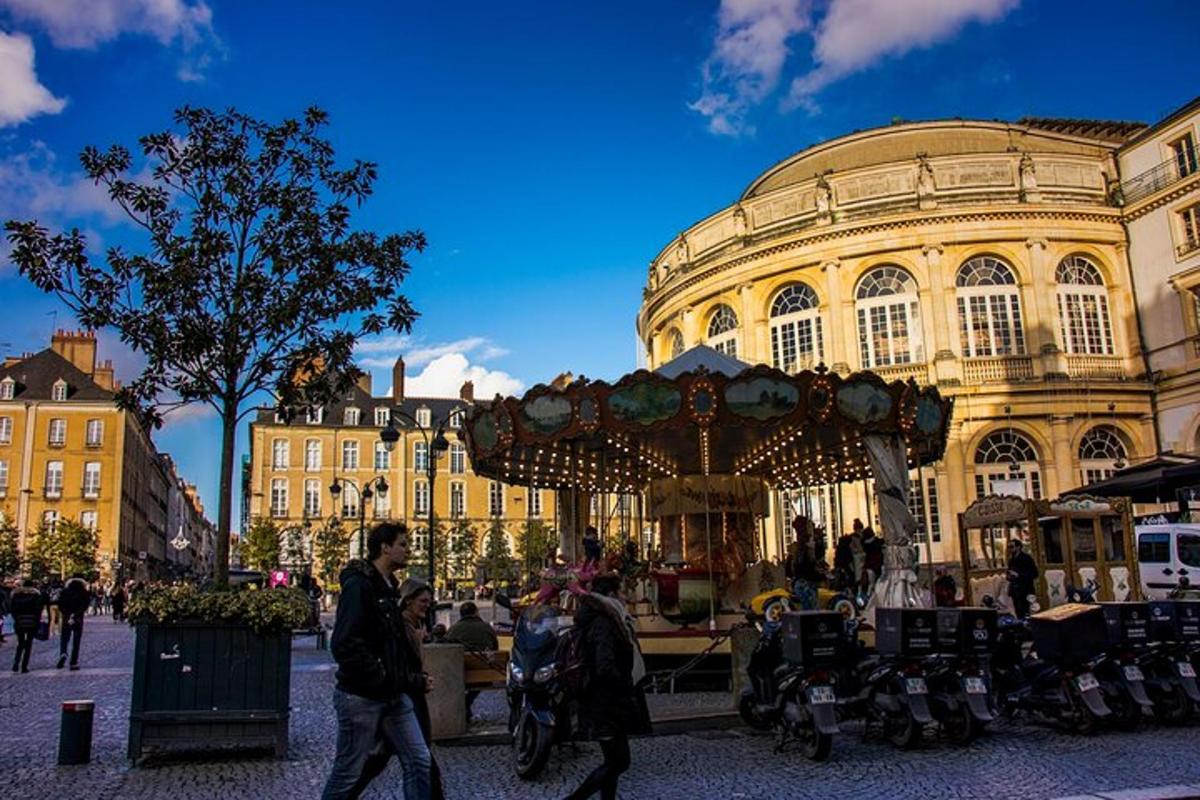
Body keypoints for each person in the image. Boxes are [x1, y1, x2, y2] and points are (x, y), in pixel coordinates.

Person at [320, 523, 431, 800]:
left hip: (393, 694)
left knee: (419, 760)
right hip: (362, 696)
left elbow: (391, 644)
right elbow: (344, 644)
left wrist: (405, 679)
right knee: (348, 771)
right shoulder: (360, 586)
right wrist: (380, 675)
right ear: (385, 547)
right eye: (403, 544)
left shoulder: (389, 588)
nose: (409, 549)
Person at [565, 575, 646, 800]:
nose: (625, 596)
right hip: (607, 700)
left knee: (613, 760)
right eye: (622, 592)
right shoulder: (605, 622)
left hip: (605, 699)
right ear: (611, 595)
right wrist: (623, 684)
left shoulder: (602, 617)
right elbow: (604, 665)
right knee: (620, 762)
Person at [445, 601, 499, 721]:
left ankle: (464, 706)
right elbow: (495, 648)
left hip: (459, 673)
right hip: (485, 674)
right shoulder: (486, 627)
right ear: (476, 612)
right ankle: (466, 705)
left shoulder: (453, 630)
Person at [10, 579, 47, 673]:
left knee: (20, 643)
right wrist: (37, 621)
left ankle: (15, 663)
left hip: (19, 621)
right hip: (32, 622)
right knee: (28, 644)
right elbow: (38, 610)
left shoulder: (16, 595)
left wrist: (17, 618)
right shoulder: (36, 596)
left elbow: (12, 609)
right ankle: (24, 666)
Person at [57, 573, 91, 670]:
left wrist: (66, 613)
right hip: (78, 617)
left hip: (66, 617)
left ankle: (63, 652)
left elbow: (60, 604)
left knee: (64, 637)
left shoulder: (65, 591)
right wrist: (76, 614)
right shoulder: (84, 592)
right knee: (76, 640)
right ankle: (73, 662)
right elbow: (85, 605)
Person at [1007, 539, 1039, 618]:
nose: (1010, 549)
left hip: (1026, 590)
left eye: (1011, 547)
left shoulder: (1026, 558)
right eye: (1009, 547)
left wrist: (1019, 575)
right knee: (1018, 612)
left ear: (1018, 547)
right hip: (1015, 590)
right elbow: (1009, 573)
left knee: (1027, 611)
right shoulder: (1011, 560)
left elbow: (1034, 573)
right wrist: (1009, 577)